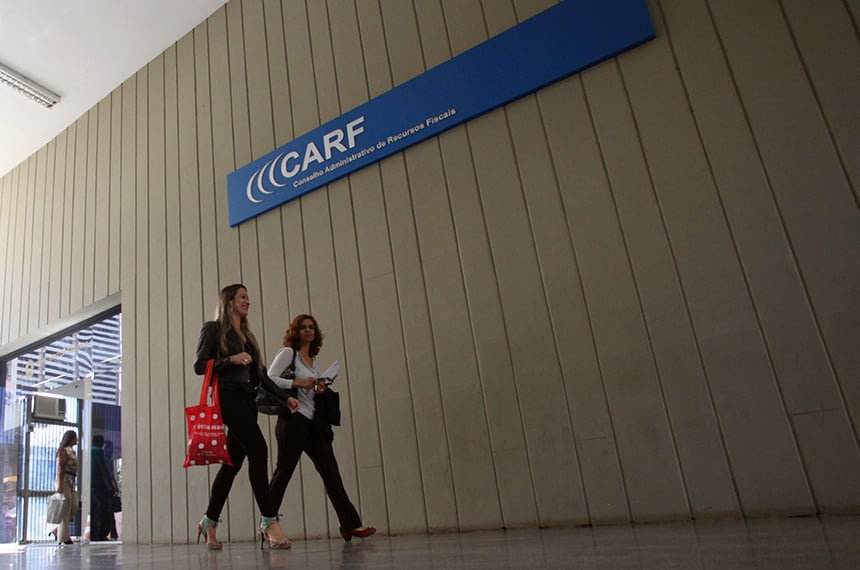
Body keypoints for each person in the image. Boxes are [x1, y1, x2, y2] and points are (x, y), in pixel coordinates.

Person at [193, 284, 292, 550]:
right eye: (243, 297)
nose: (248, 301)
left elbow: (261, 376)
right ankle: (269, 521)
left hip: (248, 401)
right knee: (259, 449)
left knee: (232, 464)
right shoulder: (213, 329)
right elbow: (199, 365)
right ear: (229, 301)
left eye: (248, 297)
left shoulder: (247, 335)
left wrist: (286, 398)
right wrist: (230, 360)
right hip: (228, 399)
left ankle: (209, 521)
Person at [267, 314, 376, 542]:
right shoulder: (289, 354)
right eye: (303, 327)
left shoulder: (313, 359)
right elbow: (270, 378)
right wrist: (298, 382)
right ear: (295, 332)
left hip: (313, 423)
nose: (308, 330)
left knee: (331, 472)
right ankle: (267, 522)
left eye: (311, 327)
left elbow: (310, 388)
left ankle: (350, 524)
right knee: (284, 472)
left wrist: (319, 386)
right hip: (293, 420)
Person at [54, 430, 78, 546]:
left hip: (72, 481)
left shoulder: (72, 452)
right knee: (66, 508)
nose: (76, 439)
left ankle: (57, 530)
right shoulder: (63, 452)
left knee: (74, 506)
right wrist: (60, 483)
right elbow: (60, 467)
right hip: (64, 480)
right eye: (75, 437)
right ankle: (64, 537)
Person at [90, 434, 116, 541]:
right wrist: (110, 485)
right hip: (100, 485)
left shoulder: (89, 451)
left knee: (95, 510)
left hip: (91, 484)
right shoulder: (98, 451)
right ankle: (101, 534)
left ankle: (94, 533)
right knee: (103, 510)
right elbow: (103, 469)